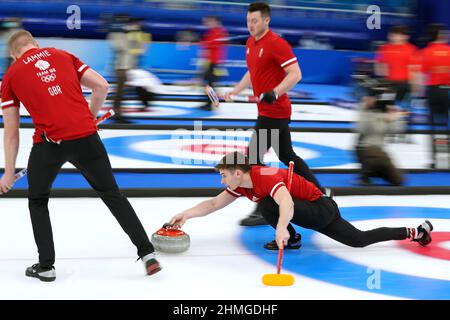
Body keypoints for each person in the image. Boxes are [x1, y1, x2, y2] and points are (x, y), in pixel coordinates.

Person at [0, 30, 161, 282]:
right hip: (87, 139)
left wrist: (9, 172)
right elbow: (101, 86)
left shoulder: (11, 75)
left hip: (49, 145)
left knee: (38, 201)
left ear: (13, 54)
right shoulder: (63, 56)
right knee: (112, 195)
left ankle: (46, 266)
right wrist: (91, 118)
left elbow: (11, 132)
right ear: (35, 44)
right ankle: (148, 253)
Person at [169, 152, 433, 251]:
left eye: (224, 176)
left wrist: (282, 228)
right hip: (314, 209)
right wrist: (186, 214)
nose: (222, 181)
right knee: (359, 240)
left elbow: (287, 204)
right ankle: (416, 231)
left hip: (319, 209)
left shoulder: (266, 176)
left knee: (268, 204)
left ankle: (292, 239)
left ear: (238, 173)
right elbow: (213, 204)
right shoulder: (242, 185)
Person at [223, 2, 327, 226]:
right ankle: (320, 192)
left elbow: (295, 74)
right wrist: (235, 91)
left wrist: (275, 92)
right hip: (267, 111)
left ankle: (263, 207)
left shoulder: (277, 44)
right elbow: (253, 72)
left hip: (275, 111)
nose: (251, 25)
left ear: (266, 20)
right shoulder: (251, 43)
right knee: (287, 156)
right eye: (248, 21)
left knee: (252, 160)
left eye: (255, 21)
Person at [355, 78, 405, 186]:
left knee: (398, 180)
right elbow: (362, 128)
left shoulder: (386, 109)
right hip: (365, 148)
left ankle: (375, 171)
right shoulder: (365, 109)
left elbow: (397, 130)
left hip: (379, 149)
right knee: (375, 154)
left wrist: (394, 118)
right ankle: (367, 172)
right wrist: (365, 108)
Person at [416, 24, 450, 168]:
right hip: (448, 90)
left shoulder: (425, 52)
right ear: (440, 35)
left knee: (434, 127)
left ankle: (435, 160)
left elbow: (421, 76)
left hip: (434, 91)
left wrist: (419, 95)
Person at [376, 25, 417, 143]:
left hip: (406, 84)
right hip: (390, 84)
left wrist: (414, 86)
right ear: (390, 36)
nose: (396, 37)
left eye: (399, 35)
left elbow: (413, 68)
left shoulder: (411, 49)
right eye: (394, 35)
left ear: (405, 37)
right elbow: (379, 65)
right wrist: (383, 81)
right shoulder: (384, 48)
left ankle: (405, 133)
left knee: (406, 109)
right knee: (388, 109)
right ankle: (389, 132)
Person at [199, 15, 228, 111]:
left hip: (215, 63)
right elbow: (205, 44)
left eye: (209, 21)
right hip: (210, 62)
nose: (207, 24)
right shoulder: (212, 32)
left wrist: (207, 44)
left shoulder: (219, 32)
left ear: (215, 21)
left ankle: (211, 104)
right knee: (208, 84)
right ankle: (210, 103)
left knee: (210, 84)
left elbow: (210, 44)